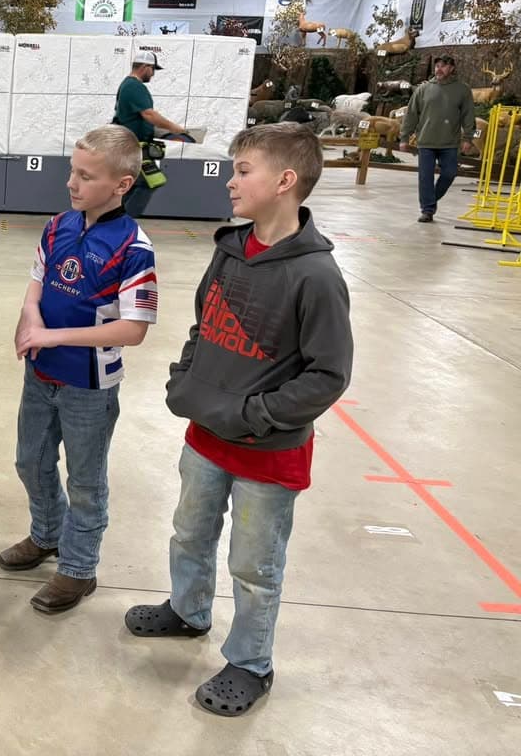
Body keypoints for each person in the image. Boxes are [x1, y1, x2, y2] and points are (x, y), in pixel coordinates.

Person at [125, 123, 353, 717]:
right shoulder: (229, 250)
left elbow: (328, 375)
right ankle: (188, 610)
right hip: (206, 433)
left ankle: (252, 662)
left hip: (266, 452)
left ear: (284, 181)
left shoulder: (317, 276)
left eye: (243, 170)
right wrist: (186, 379)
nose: (231, 181)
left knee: (254, 565)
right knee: (189, 533)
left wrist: (257, 415)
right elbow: (206, 323)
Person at [0, 125, 157, 614]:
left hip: (89, 385)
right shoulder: (57, 225)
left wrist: (53, 336)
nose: (72, 183)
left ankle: (79, 569)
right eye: (72, 171)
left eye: (86, 177)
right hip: (41, 374)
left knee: (85, 481)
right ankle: (47, 535)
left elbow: (133, 330)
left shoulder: (134, 248)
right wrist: (30, 319)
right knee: (32, 460)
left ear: (121, 185)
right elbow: (36, 283)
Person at [400, 55, 476, 222]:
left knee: (450, 173)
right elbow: (411, 114)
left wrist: (468, 138)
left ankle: (430, 200)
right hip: (426, 140)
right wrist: (404, 137)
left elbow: (468, 115)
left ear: (452, 69)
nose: (439, 69)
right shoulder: (424, 89)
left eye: (443, 66)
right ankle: (427, 210)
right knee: (425, 176)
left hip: (450, 142)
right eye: (437, 66)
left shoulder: (462, 90)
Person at [112, 50, 189, 143]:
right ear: (145, 67)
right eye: (153, 69)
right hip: (133, 143)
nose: (152, 74)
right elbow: (149, 114)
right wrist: (174, 128)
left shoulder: (127, 83)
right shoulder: (134, 85)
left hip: (130, 141)